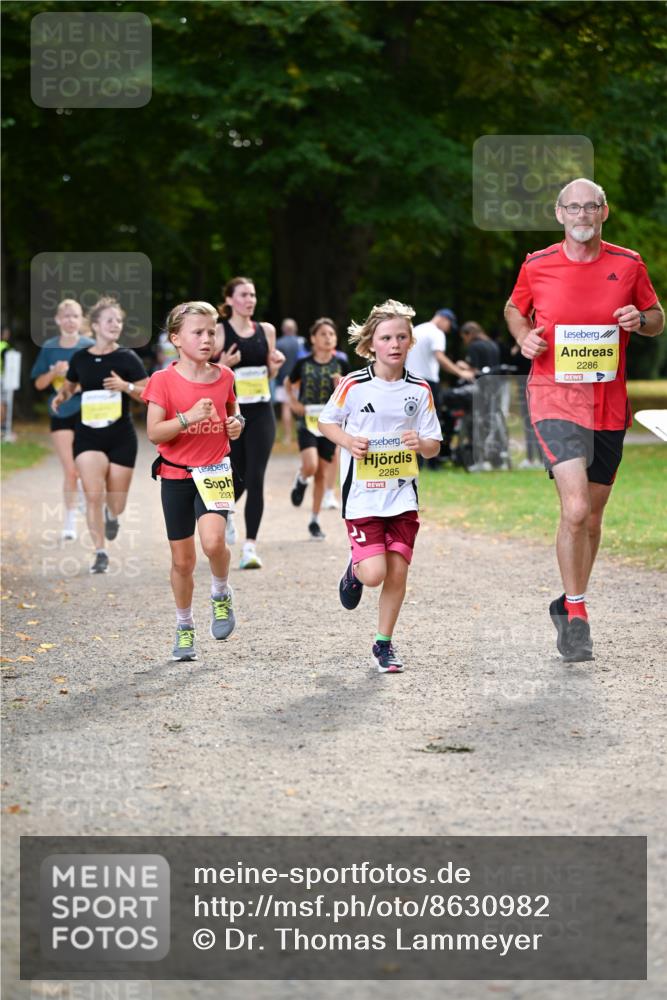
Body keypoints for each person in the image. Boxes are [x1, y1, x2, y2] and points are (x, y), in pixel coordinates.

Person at [504, 177, 664, 662]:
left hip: (608, 404)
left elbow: (658, 316)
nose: (581, 215)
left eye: (590, 207)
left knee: (592, 516)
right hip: (554, 397)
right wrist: (524, 336)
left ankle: (567, 599)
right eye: (573, 207)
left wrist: (642, 320)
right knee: (574, 509)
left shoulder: (628, 263)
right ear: (559, 214)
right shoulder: (537, 264)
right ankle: (577, 612)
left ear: (603, 212)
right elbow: (515, 308)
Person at [319, 299, 442, 674]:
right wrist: (347, 441)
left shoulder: (420, 389)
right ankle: (354, 571)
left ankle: (383, 644)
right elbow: (327, 422)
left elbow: (434, 446)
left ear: (410, 342)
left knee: (399, 572)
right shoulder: (353, 385)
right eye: (386, 337)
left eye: (401, 337)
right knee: (374, 574)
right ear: (371, 343)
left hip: (402, 494)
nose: (394, 343)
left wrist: (419, 444)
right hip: (362, 496)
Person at [143, 301, 243, 661]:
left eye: (211, 332)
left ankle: (220, 592)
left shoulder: (225, 377)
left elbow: (234, 416)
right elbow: (155, 432)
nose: (206, 339)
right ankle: (184, 627)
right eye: (197, 332)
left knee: (214, 542)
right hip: (176, 475)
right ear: (176, 339)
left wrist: (237, 425)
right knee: (183, 561)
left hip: (216, 469)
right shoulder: (162, 380)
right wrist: (186, 418)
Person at [52, 297, 148, 574]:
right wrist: (62, 396)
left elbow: (150, 394)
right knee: (93, 494)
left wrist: (125, 385)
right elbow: (70, 386)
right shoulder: (80, 358)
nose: (116, 325)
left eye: (119, 321)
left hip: (121, 436)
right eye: (110, 320)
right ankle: (100, 552)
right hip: (88, 437)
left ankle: (111, 515)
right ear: (94, 325)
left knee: (116, 502)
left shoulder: (127, 358)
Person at [216, 277, 284, 568]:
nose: (250, 300)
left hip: (261, 411)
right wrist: (223, 364)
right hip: (232, 413)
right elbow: (208, 374)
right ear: (230, 300)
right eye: (244, 295)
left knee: (256, 477)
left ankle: (250, 548)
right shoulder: (220, 331)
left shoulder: (266, 330)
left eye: (253, 295)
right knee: (238, 474)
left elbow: (267, 374)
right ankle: (226, 511)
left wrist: (275, 367)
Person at [30, 300, 94, 539]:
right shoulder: (49, 347)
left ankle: (91, 504)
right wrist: (54, 373)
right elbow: (38, 384)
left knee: (87, 468)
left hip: (88, 412)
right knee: (71, 470)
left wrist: (80, 385)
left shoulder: (90, 346)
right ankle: (70, 519)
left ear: (81, 320)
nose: (70, 320)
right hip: (61, 413)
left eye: (75, 316)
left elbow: (100, 380)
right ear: (58, 320)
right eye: (65, 316)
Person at [286, 317, 348, 539]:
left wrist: (341, 386)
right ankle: (302, 478)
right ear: (313, 338)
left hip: (330, 425)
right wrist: (294, 403)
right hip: (307, 423)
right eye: (323, 334)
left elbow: (352, 391)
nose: (328, 338)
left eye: (331, 334)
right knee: (311, 465)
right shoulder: (303, 364)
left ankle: (314, 520)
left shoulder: (341, 364)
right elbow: (288, 382)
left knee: (322, 473)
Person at [407, 308, 473, 468]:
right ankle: (432, 462)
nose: (449, 329)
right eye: (449, 325)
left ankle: (416, 462)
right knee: (431, 422)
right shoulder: (437, 333)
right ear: (444, 319)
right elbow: (440, 357)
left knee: (413, 421)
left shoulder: (416, 330)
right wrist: (460, 373)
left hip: (410, 380)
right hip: (428, 382)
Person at [274, 318, 301, 444]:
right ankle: (303, 435)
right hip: (299, 380)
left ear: (283, 329)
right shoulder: (301, 342)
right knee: (301, 407)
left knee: (286, 407)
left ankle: (288, 437)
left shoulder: (278, 343)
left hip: (283, 380)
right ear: (295, 328)